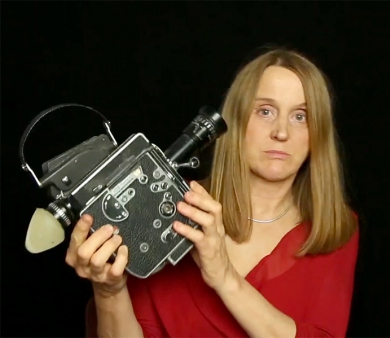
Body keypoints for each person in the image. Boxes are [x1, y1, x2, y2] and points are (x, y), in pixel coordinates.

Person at [65, 47, 359, 338]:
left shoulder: (334, 227)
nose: (281, 132)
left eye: (300, 116)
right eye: (265, 111)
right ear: (236, 121)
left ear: (317, 133)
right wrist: (109, 291)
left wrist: (224, 277)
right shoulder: (174, 210)